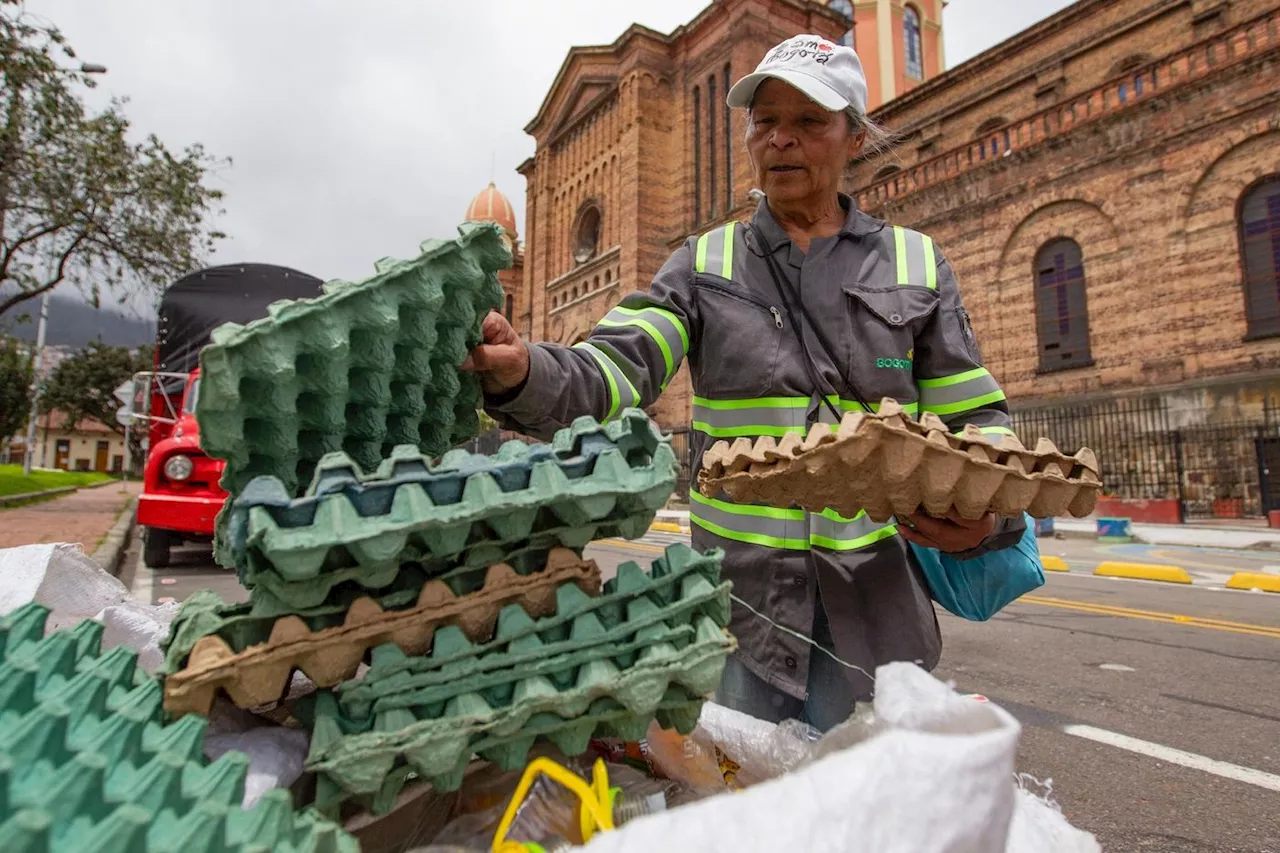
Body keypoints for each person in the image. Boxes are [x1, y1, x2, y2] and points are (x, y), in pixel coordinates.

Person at [462, 34, 1027, 732]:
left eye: (809, 122)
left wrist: (984, 518)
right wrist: (524, 369)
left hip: (878, 628)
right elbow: (613, 368)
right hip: (742, 621)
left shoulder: (915, 262)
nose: (781, 140)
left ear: (853, 137)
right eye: (765, 122)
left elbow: (979, 426)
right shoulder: (704, 263)